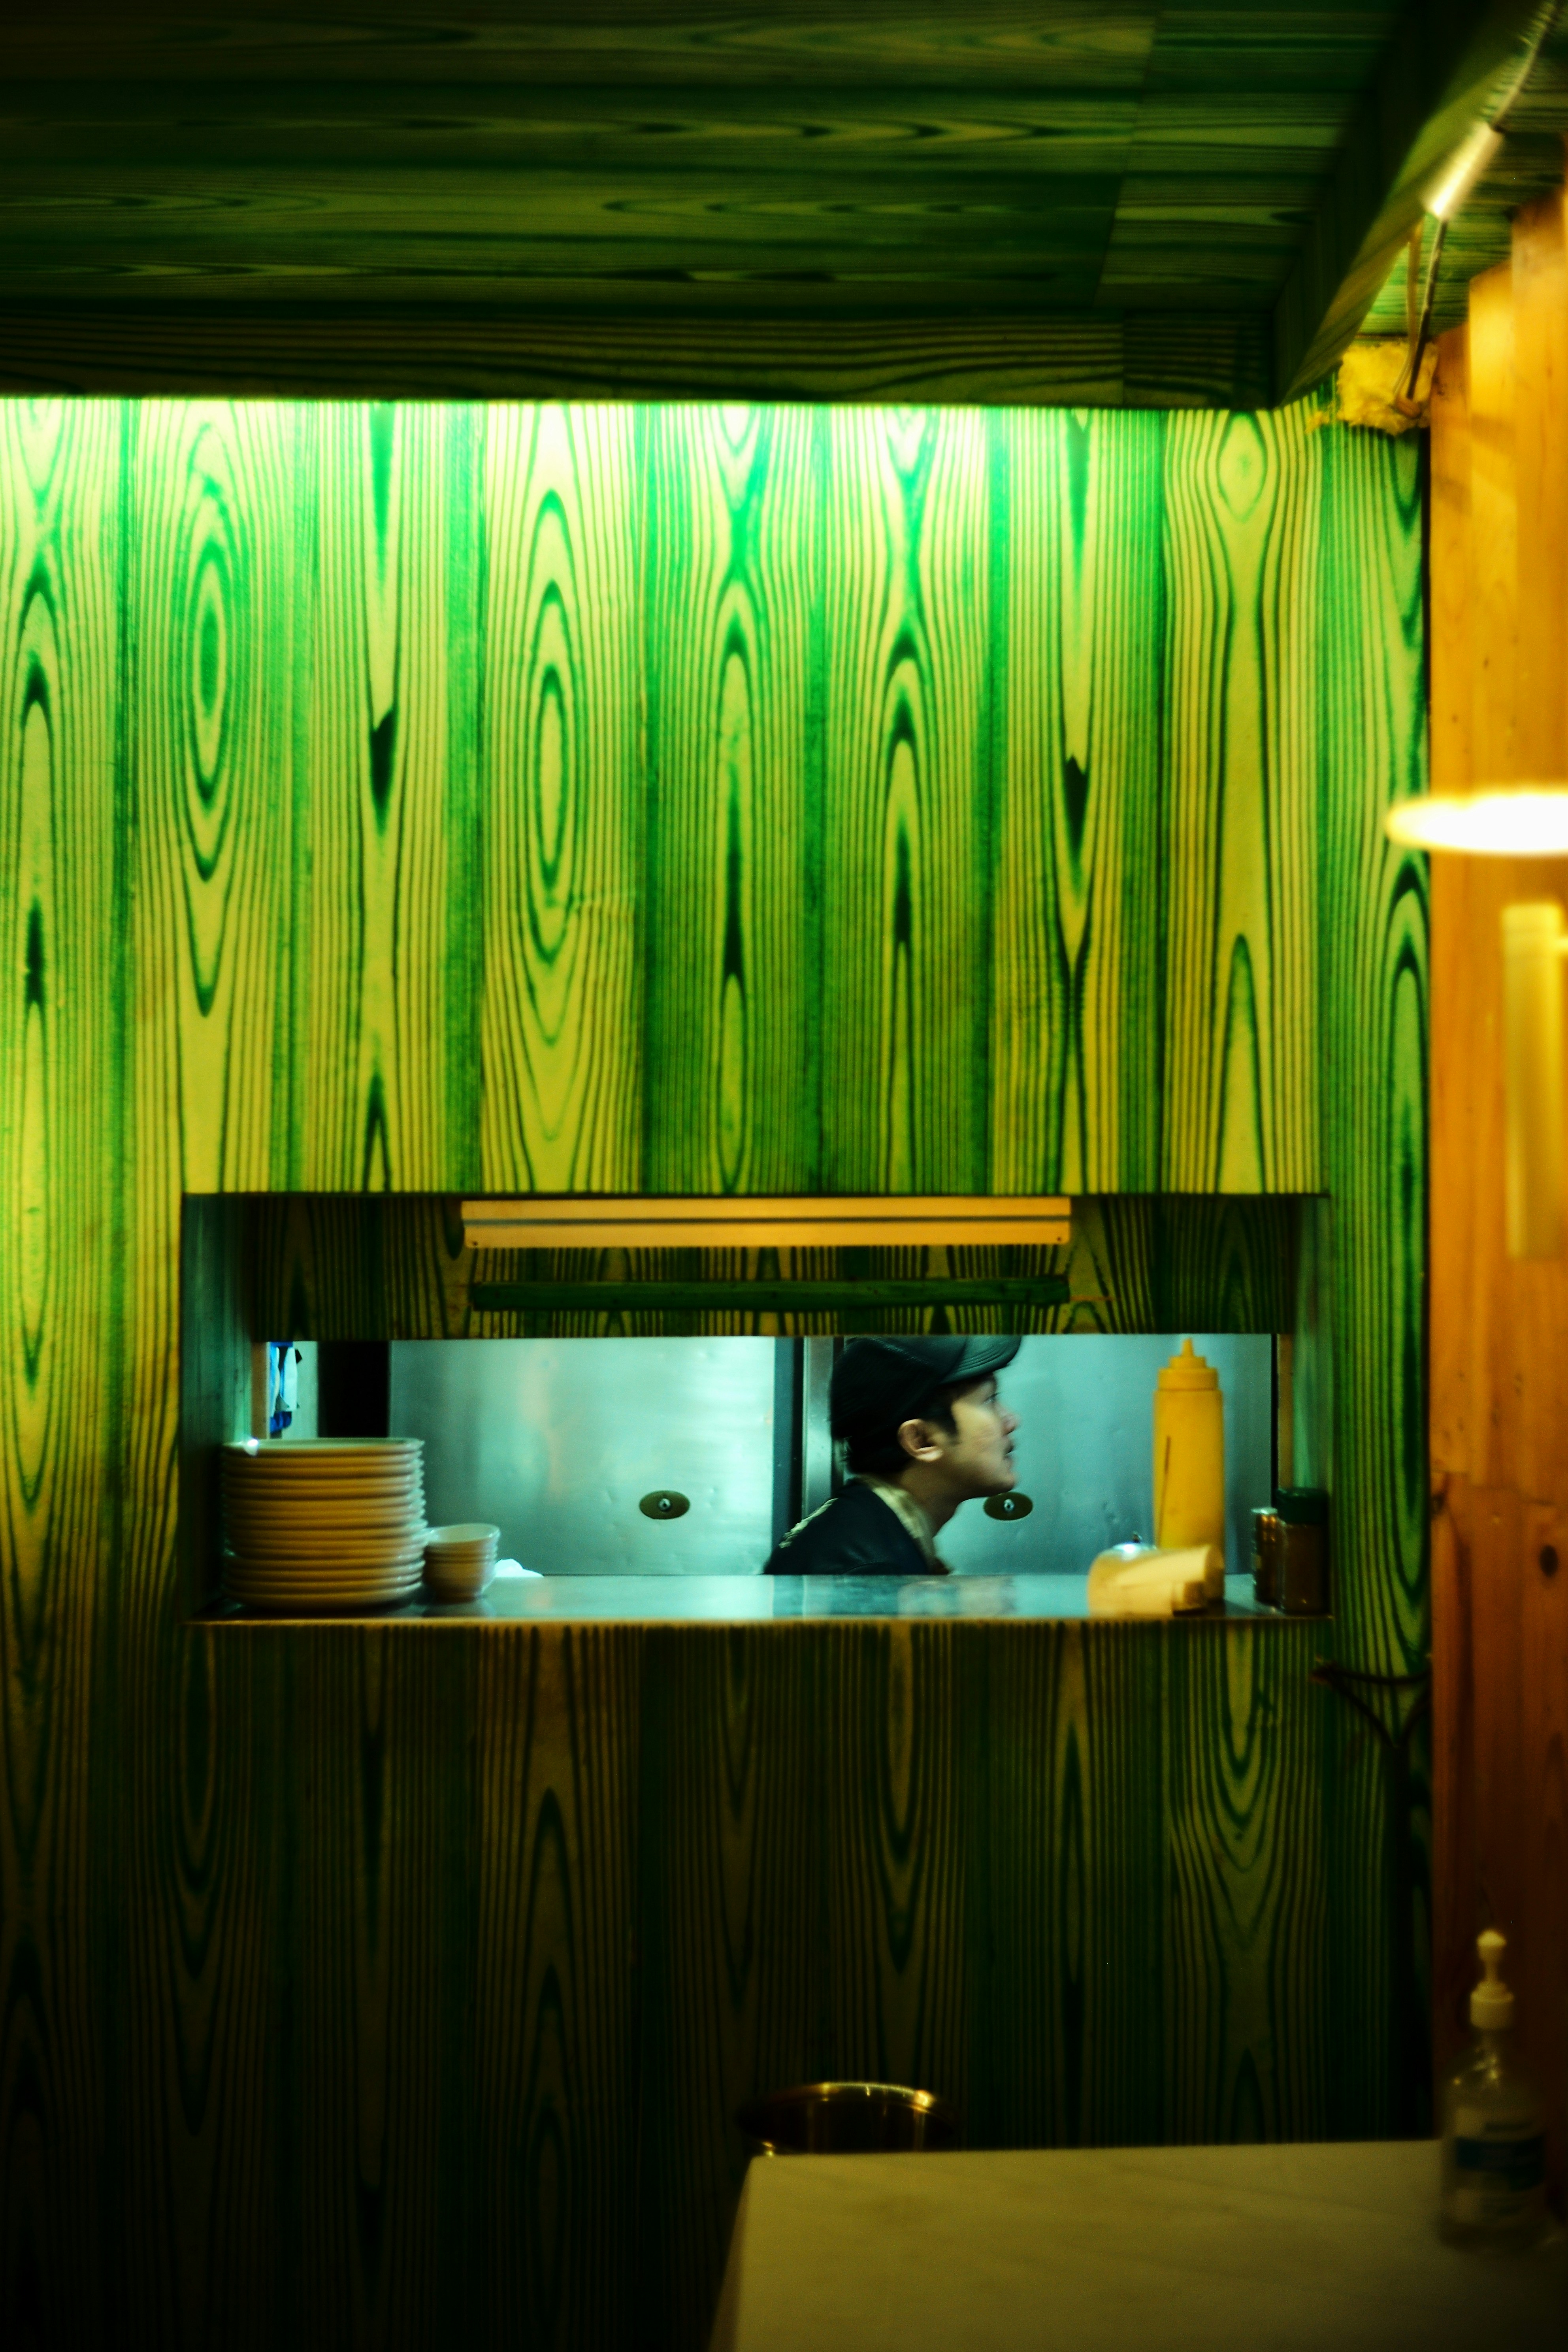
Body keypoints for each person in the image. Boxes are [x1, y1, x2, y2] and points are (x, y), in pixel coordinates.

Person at [763, 1334, 1020, 1576]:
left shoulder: (869, 1533)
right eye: (990, 1400)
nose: (1011, 1421)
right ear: (921, 1440)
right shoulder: (867, 1573)